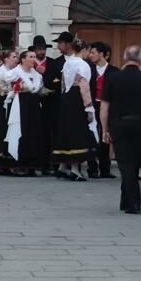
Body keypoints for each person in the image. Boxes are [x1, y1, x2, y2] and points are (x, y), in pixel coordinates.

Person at [101, 46, 141, 214]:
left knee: (125, 163)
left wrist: (105, 129)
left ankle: (132, 202)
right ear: (140, 59)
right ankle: (127, 200)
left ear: (125, 57)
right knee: (134, 163)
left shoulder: (113, 78)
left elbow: (105, 106)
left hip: (119, 124)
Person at [52, 38, 97, 181]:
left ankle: (62, 166)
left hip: (66, 98)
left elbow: (64, 84)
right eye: (88, 51)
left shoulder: (67, 63)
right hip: (77, 99)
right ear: (84, 50)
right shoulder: (83, 65)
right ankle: (75, 169)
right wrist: (89, 108)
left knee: (66, 130)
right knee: (76, 132)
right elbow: (84, 87)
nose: (89, 54)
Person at [5, 49, 45, 176]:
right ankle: (19, 163)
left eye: (34, 57)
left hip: (33, 104)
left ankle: (32, 164)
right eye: (30, 57)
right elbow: (3, 83)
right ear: (23, 59)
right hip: (20, 103)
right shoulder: (15, 72)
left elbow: (39, 88)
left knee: (33, 132)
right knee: (21, 130)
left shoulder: (37, 75)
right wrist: (16, 88)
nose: (33, 59)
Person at [87, 42, 119, 179]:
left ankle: (105, 168)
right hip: (92, 105)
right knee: (91, 135)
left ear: (102, 54)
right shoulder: (88, 69)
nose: (91, 55)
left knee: (105, 135)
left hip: (108, 106)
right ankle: (92, 167)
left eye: (93, 53)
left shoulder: (114, 71)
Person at [43, 33, 73, 176]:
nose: (58, 46)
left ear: (67, 44)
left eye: (60, 43)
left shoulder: (79, 60)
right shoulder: (55, 63)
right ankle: (57, 163)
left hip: (73, 104)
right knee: (57, 133)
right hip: (58, 104)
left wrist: (59, 79)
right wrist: (59, 80)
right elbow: (49, 81)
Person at [31, 35, 55, 174]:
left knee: (48, 134)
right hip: (33, 104)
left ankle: (48, 163)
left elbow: (55, 81)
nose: (41, 52)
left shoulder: (52, 63)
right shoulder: (29, 63)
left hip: (48, 104)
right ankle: (36, 163)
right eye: (39, 49)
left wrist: (45, 73)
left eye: (43, 49)